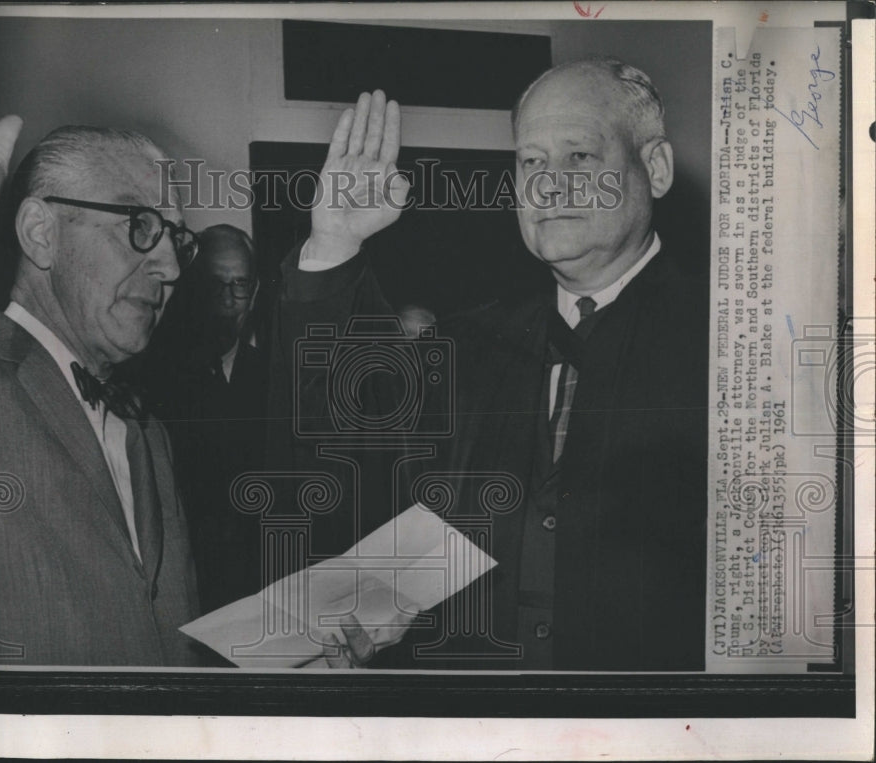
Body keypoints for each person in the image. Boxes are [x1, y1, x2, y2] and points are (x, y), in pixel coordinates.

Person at [272, 59, 708, 670]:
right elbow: (346, 436)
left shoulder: (731, 346)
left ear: (654, 168)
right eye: (531, 161)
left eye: (579, 157)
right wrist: (336, 244)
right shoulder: (471, 342)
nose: (549, 186)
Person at [0, 19, 206, 666]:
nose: (172, 266)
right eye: (142, 225)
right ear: (41, 232)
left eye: (178, 237)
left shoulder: (148, 432)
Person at [141, 224, 270, 612]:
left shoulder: (275, 376)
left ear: (256, 292)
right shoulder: (151, 378)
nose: (228, 299)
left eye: (240, 284)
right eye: (215, 284)